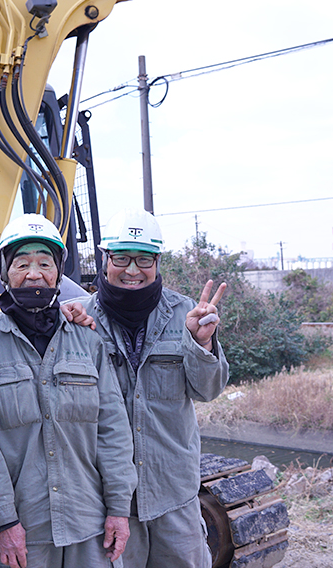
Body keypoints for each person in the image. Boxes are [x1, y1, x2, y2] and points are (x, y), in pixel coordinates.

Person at [0, 214, 137, 568]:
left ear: (58, 272)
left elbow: (113, 432)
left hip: (89, 525)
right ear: (5, 273)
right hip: (22, 530)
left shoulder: (87, 342)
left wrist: (119, 508)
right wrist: (3, 520)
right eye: (22, 263)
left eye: (45, 263)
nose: (34, 273)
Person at [70, 208, 228, 568]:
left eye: (143, 258)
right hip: (109, 501)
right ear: (105, 258)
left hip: (174, 493)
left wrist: (202, 345)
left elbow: (209, 390)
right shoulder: (79, 320)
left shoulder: (186, 313)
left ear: (157, 262)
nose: (131, 269)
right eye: (121, 257)